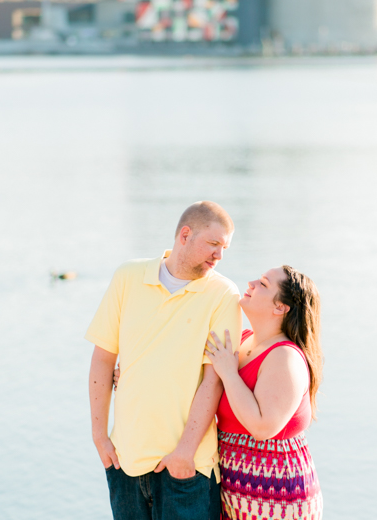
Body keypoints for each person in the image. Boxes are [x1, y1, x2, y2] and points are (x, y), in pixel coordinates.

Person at [86, 201, 242, 520]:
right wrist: (100, 436)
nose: (219, 255)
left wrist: (184, 452)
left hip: (187, 467)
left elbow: (213, 381)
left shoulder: (224, 294)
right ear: (185, 234)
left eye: (224, 247)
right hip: (124, 461)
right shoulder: (128, 277)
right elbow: (103, 359)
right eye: (213, 244)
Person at [206, 265, 324, 520]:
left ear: (280, 307)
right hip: (232, 490)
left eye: (263, 283)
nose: (250, 283)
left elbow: (262, 428)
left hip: (277, 496)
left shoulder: (284, 356)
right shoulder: (241, 339)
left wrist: (228, 373)